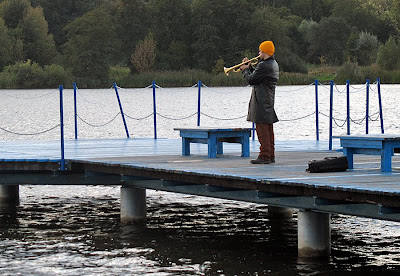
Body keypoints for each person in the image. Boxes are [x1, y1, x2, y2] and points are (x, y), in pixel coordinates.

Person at [240, 40, 279, 164]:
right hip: (268, 99)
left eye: (260, 51)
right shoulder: (272, 63)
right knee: (268, 127)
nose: (258, 53)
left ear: (265, 52)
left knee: (261, 128)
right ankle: (270, 154)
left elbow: (251, 80)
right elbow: (258, 77)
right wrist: (250, 67)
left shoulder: (264, 65)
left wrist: (245, 70)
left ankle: (264, 155)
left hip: (261, 99)